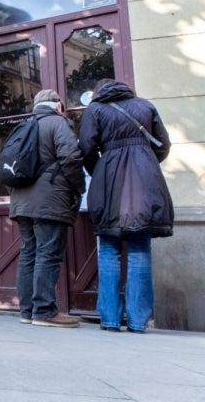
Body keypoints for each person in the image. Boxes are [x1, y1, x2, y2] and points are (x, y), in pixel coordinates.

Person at [78, 79, 173, 333]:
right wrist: (145, 162)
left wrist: (98, 169)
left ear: (97, 92)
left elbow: (86, 148)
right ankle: (138, 321)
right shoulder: (145, 106)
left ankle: (109, 319)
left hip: (109, 180)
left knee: (109, 250)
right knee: (140, 250)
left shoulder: (95, 110)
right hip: (144, 180)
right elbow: (163, 145)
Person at [10, 89, 85, 327]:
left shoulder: (24, 126)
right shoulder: (58, 123)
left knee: (29, 253)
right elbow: (71, 157)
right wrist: (79, 187)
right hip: (50, 199)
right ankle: (44, 311)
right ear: (58, 106)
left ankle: (27, 311)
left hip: (21, 200)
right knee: (48, 253)